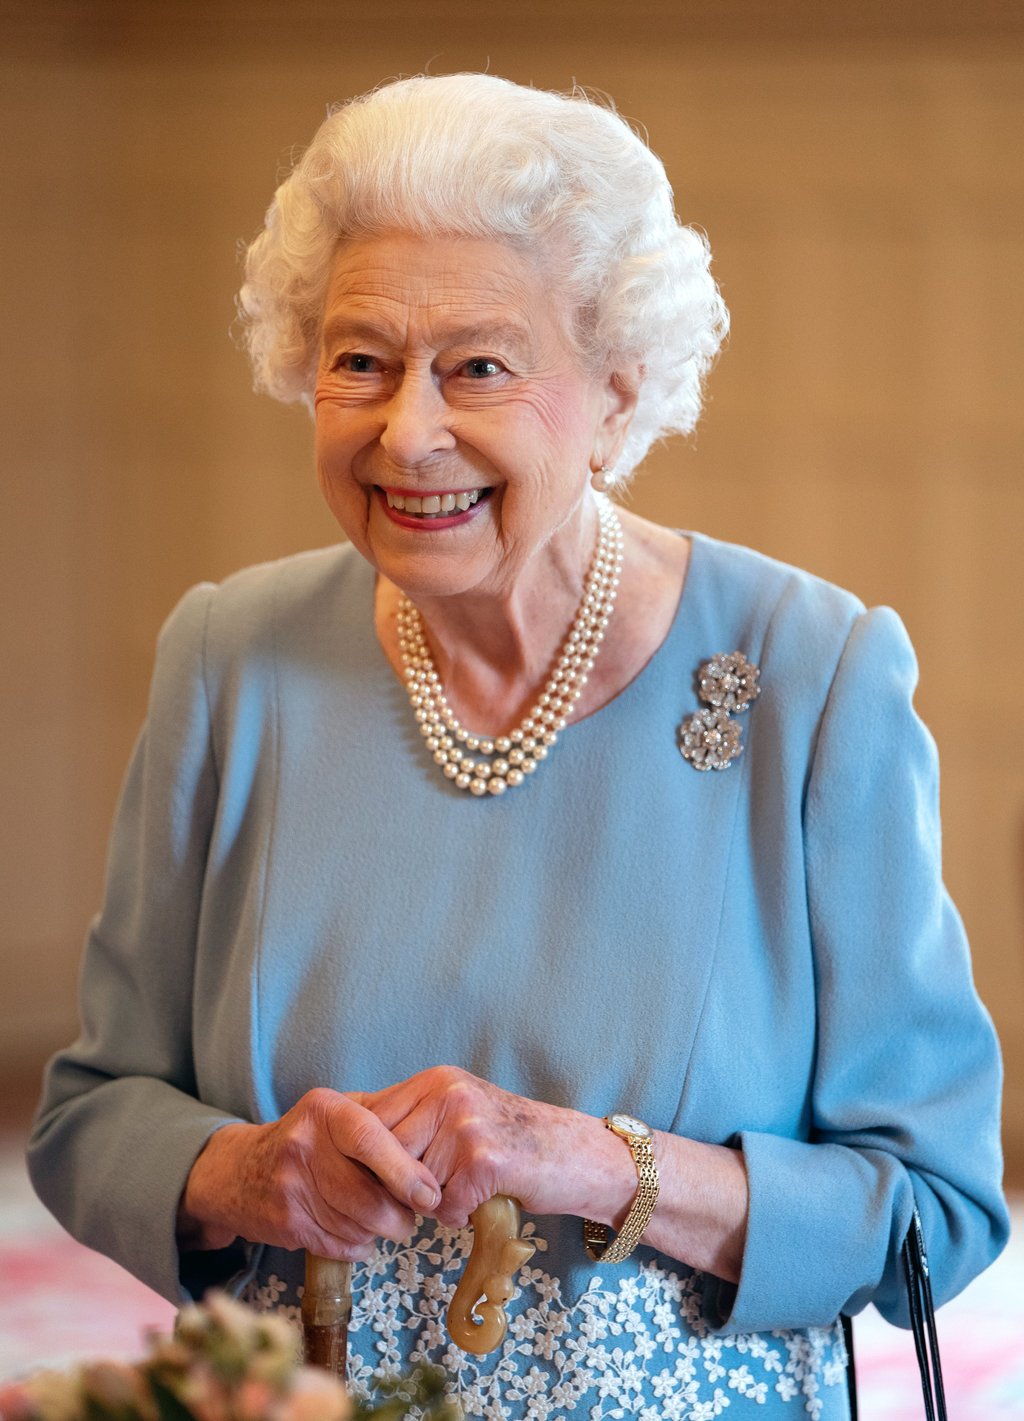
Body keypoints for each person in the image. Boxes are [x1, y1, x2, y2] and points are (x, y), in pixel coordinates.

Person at [28, 73, 1007, 1418]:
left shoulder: (809, 673)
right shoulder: (229, 656)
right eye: (359, 359)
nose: (406, 430)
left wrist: (604, 1163)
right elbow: (90, 1119)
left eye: (479, 365)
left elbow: (935, 1208)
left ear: (618, 391)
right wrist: (245, 1172)